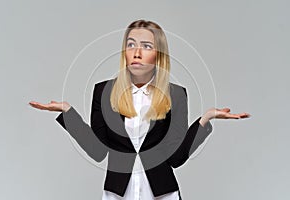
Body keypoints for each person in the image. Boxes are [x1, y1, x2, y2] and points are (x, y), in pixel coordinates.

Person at [29, 20, 250, 200]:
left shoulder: (176, 95)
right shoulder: (104, 92)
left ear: (159, 55)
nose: (136, 52)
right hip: (118, 193)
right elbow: (97, 151)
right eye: (131, 44)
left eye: (146, 46)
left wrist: (206, 119)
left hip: (162, 193)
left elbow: (176, 158)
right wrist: (68, 112)